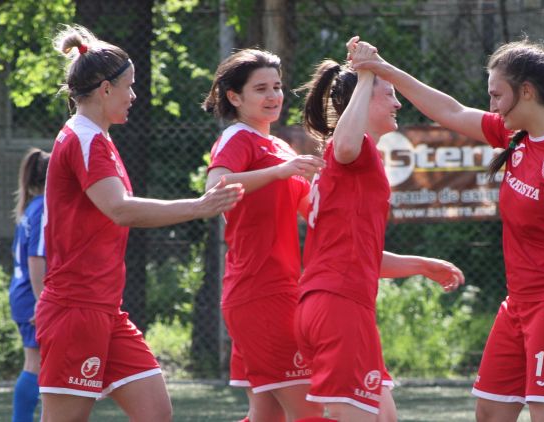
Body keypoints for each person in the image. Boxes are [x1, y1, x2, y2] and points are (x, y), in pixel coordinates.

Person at [351, 37, 544, 421]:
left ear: (527, 91)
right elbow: (449, 110)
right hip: (517, 305)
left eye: (497, 95)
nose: (493, 105)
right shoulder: (516, 136)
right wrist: (382, 68)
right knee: (490, 413)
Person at [35, 25, 243, 422]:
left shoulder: (98, 138)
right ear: (104, 89)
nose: (134, 95)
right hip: (75, 309)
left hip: (105, 310)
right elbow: (121, 209)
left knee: (155, 412)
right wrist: (199, 206)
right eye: (129, 86)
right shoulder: (85, 138)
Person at [294, 39, 465, 422]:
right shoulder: (353, 149)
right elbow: (347, 144)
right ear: (363, 99)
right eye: (388, 94)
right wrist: (368, 71)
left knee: (384, 416)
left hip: (332, 302)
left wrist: (421, 265)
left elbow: (360, 255)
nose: (398, 103)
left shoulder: (348, 162)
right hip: (339, 306)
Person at [202, 49, 326, 422]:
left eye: (277, 86)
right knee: (311, 413)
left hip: (280, 289)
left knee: (267, 415)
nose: (273, 96)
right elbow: (214, 187)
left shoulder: (278, 147)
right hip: (259, 293)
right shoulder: (237, 138)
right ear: (235, 97)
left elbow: (312, 211)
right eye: (261, 89)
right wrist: (280, 172)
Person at [9, 147, 50, 422]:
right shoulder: (45, 207)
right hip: (31, 298)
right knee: (36, 364)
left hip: (22, 294)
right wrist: (41, 303)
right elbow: (36, 258)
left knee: (39, 363)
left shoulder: (33, 206)